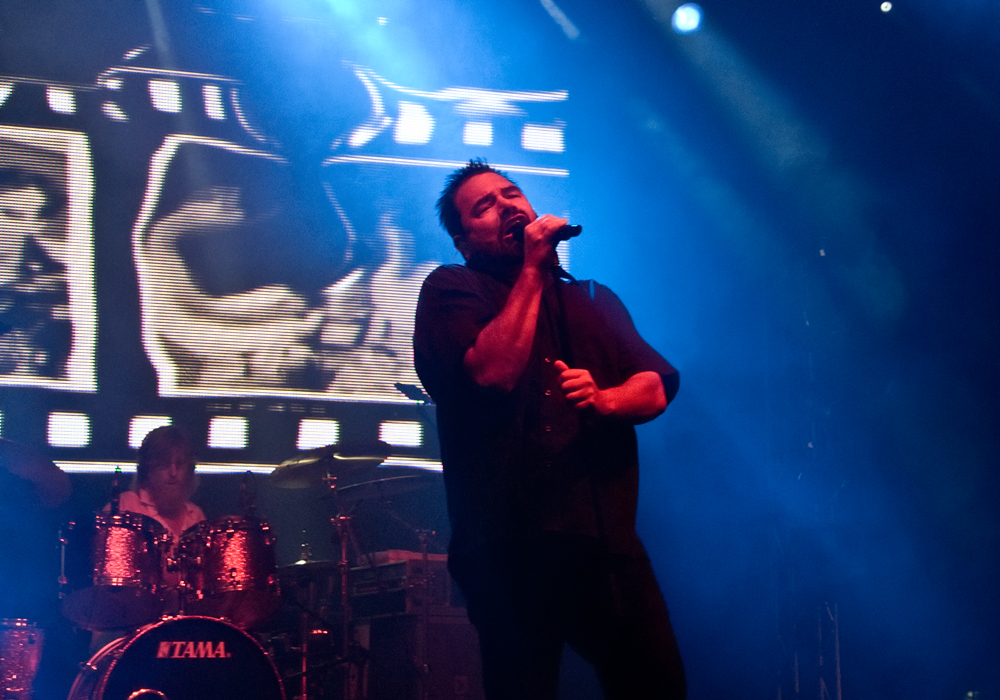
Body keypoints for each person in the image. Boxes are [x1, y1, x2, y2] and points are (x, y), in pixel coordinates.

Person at [413, 160, 685, 700]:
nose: (506, 205)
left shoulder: (591, 298)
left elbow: (654, 386)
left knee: (657, 685)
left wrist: (606, 399)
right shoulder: (451, 288)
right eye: (484, 206)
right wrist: (534, 268)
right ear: (463, 242)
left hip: (603, 542)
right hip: (506, 547)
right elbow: (494, 372)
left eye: (511, 194)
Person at [118, 425, 206, 542]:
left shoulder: (196, 516)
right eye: (164, 464)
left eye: (179, 465)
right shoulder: (126, 506)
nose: (173, 473)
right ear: (148, 469)